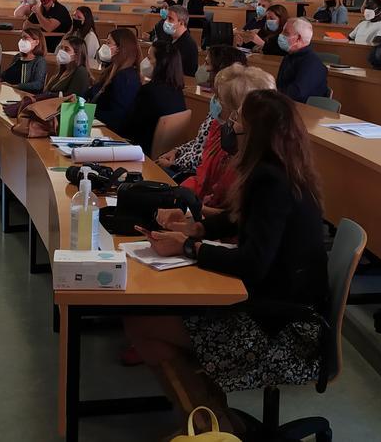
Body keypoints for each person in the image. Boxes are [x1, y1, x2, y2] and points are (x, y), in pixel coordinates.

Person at [125, 90, 328, 435]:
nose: (230, 126)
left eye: (238, 122)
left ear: (256, 136)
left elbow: (253, 263)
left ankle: (210, 430)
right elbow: (241, 220)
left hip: (286, 329)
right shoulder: (282, 169)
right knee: (159, 322)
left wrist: (189, 247)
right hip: (281, 309)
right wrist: (198, 226)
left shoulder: (271, 181)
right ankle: (216, 418)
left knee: (143, 324)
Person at [166, 65, 276, 216]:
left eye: (220, 99)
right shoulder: (219, 127)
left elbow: (235, 219)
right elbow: (202, 178)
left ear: (238, 111)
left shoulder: (256, 157)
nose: (214, 102)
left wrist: (193, 206)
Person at [155, 46, 248, 176]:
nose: (203, 67)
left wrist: (175, 164)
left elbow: (206, 158)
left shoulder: (229, 113)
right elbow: (200, 141)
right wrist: (177, 151)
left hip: (190, 173)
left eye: (207, 63)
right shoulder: (216, 103)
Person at [125, 41, 187, 151]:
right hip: (165, 151)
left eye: (149, 58)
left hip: (141, 150)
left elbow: (130, 127)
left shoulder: (149, 91)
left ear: (160, 63)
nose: (145, 61)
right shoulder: (177, 90)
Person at [87, 28, 141, 137]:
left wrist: (87, 111)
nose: (104, 46)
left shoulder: (126, 78)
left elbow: (116, 115)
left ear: (119, 48)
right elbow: (92, 92)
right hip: (97, 123)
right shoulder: (111, 70)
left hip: (111, 133)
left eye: (108, 42)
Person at [276, 18, 328, 103]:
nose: (281, 35)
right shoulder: (289, 57)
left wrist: (271, 93)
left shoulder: (312, 63)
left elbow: (296, 94)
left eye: (286, 33)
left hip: (307, 111)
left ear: (298, 38)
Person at [0, 28, 48, 93]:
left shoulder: (39, 61)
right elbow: (6, 73)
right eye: (21, 38)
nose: (22, 40)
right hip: (7, 91)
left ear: (36, 42)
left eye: (25, 38)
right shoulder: (18, 57)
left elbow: (38, 84)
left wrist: (14, 86)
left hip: (24, 95)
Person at [159, 5, 199, 76]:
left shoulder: (188, 45)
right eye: (166, 18)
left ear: (181, 23)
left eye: (170, 19)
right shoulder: (170, 38)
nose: (166, 21)